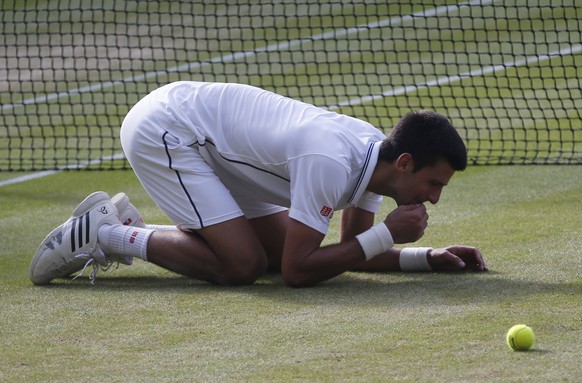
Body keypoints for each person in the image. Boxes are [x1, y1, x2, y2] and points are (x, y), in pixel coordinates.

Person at [29, 81, 487, 287]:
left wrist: (425, 258)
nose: (434, 197)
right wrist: (391, 232)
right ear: (405, 163)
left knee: (269, 254)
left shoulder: (375, 159)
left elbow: (354, 250)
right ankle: (106, 233)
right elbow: (300, 272)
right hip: (167, 129)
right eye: (432, 183)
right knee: (243, 265)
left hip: (216, 146)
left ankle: (139, 229)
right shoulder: (331, 160)